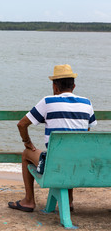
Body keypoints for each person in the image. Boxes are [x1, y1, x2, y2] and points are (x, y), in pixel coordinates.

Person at [8, 64, 97, 212]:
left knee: (26, 154)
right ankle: (68, 201)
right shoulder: (87, 103)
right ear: (73, 86)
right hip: (79, 165)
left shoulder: (48, 102)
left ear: (55, 87)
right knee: (73, 151)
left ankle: (29, 201)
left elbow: (22, 125)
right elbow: (85, 134)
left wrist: (28, 143)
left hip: (54, 165)